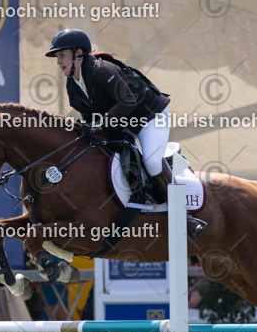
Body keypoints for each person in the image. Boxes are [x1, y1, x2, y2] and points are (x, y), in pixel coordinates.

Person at [45, 28, 206, 239]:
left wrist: (100, 124)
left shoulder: (102, 69)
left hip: (149, 117)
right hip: (120, 124)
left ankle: (186, 217)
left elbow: (128, 100)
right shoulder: (72, 85)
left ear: (79, 53)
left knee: (152, 161)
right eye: (57, 57)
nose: (59, 61)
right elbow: (89, 119)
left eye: (61, 55)